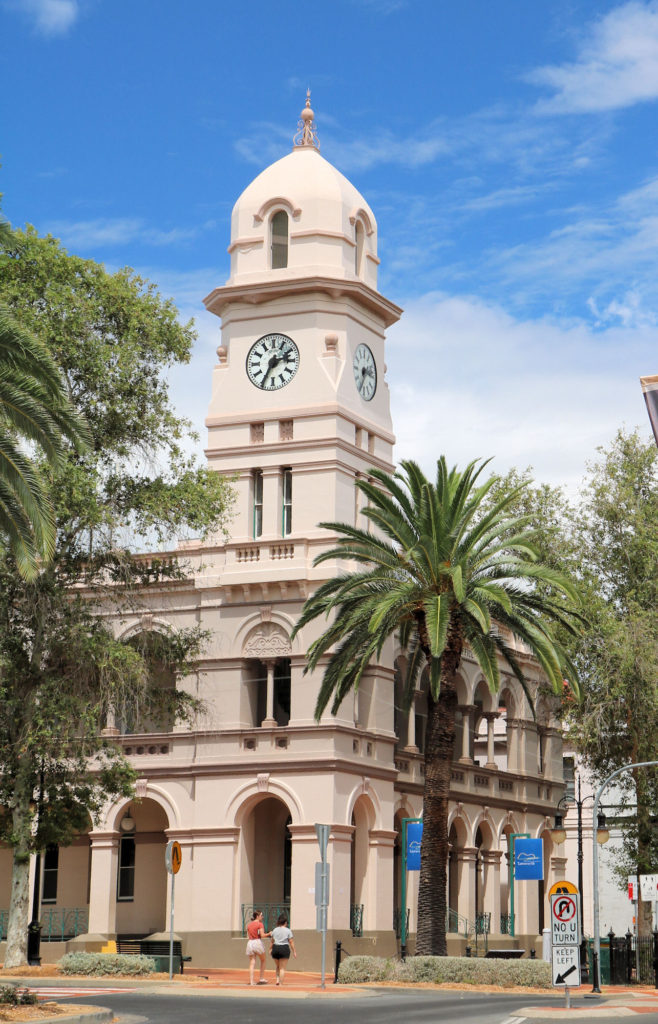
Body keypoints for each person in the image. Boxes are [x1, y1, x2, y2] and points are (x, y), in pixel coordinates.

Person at [270, 911, 296, 986]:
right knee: (282, 968)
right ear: (285, 922)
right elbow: (291, 942)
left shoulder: (275, 930)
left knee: (277, 966)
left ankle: (277, 980)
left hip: (275, 948)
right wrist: (294, 951)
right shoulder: (288, 930)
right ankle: (281, 983)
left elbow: (272, 941)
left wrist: (270, 949)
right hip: (284, 948)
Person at [245, 909, 269, 985]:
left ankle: (251, 981)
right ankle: (261, 978)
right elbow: (262, 935)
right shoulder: (260, 924)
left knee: (252, 962)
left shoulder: (249, 925)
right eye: (261, 915)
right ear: (257, 916)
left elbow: (248, 935)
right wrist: (269, 934)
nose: (262, 917)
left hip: (250, 943)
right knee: (263, 960)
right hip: (257, 942)